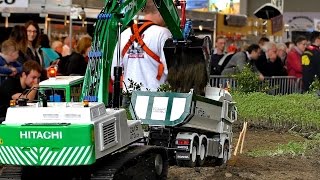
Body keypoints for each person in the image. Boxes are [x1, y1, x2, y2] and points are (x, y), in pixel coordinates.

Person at [111, 0, 172, 91]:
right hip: (156, 96)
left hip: (129, 96)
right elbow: (170, 70)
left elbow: (114, 74)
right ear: (161, 12)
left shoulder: (124, 34)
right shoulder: (163, 33)